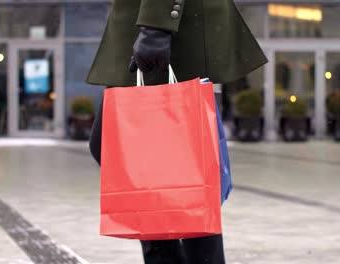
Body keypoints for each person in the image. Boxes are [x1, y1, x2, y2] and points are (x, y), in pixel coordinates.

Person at [87, 0, 267, 263]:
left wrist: (156, 27)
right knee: (165, 169)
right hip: (149, 28)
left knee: (174, 170)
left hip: (167, 31)